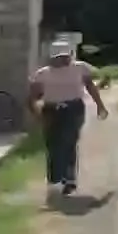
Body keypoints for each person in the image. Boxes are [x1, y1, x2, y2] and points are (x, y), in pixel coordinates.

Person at [27, 40, 109, 196]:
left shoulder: (79, 68)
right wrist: (37, 114)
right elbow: (33, 97)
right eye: (59, 57)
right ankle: (55, 179)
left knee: (69, 142)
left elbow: (90, 86)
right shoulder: (43, 74)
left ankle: (69, 179)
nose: (63, 60)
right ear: (52, 58)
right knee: (53, 144)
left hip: (74, 108)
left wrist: (100, 105)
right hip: (51, 110)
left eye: (66, 56)